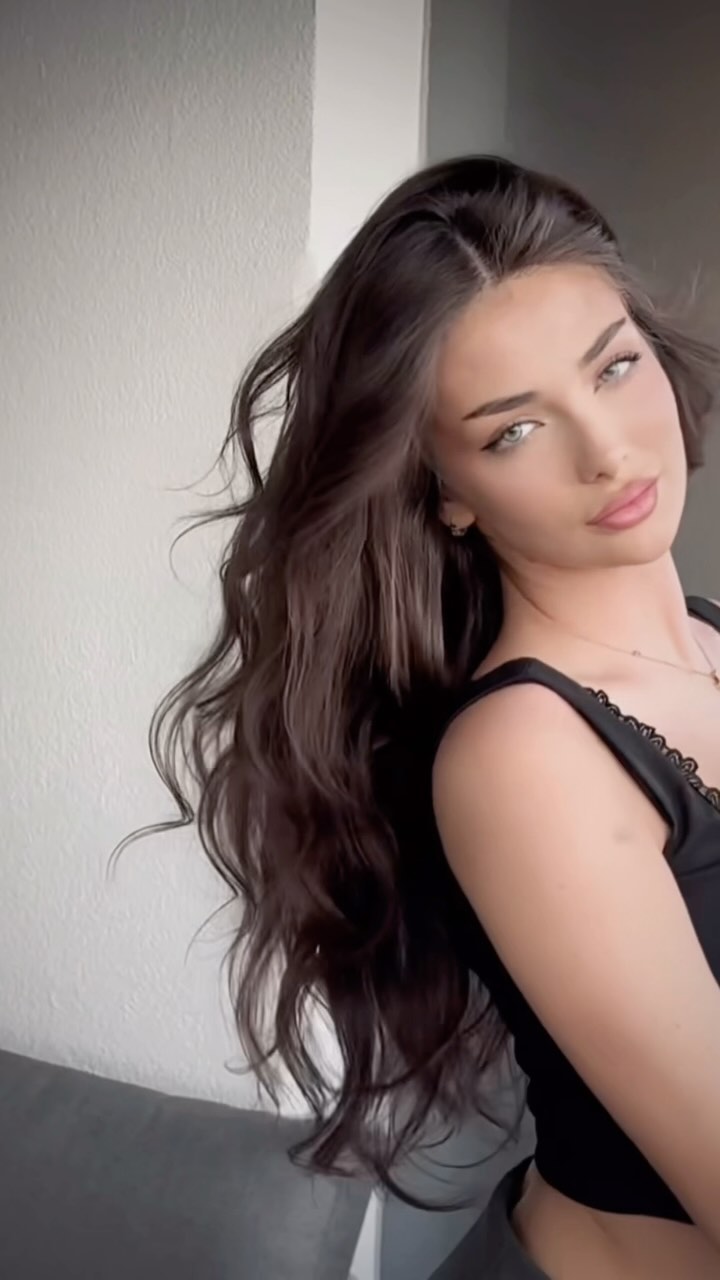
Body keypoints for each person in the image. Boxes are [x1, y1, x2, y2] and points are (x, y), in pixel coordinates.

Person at [119, 156, 720, 1278]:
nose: (608, 451)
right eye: (513, 432)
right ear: (446, 489)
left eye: (614, 367)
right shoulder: (527, 756)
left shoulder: (709, 644)